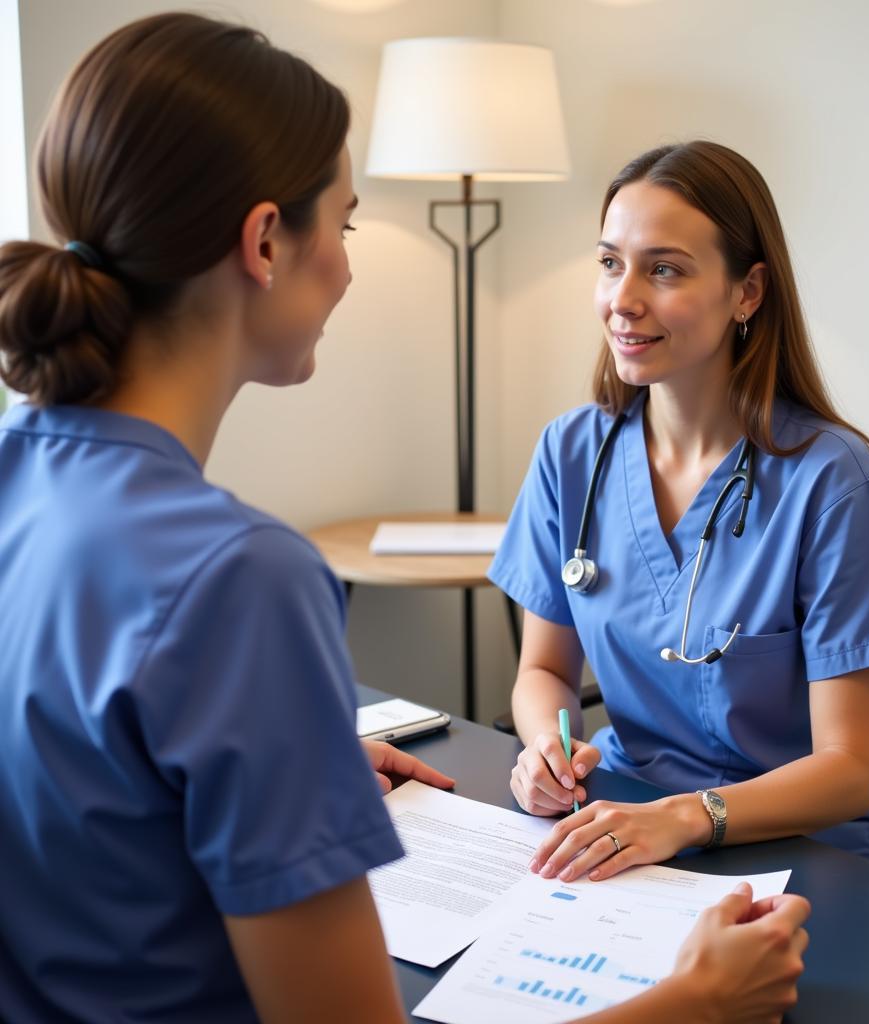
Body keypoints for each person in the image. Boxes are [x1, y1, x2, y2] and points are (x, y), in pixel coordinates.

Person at [0, 13, 810, 1024]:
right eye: (341, 225)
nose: (345, 263)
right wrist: (694, 1002)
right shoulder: (241, 577)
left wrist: (280, 768)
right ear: (264, 242)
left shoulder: (20, 477)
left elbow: (75, 793)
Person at [490, 140, 869, 885]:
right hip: (629, 818)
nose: (623, 299)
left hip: (803, 846)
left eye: (664, 269)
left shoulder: (829, 480)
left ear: (747, 292)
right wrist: (546, 750)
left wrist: (688, 817)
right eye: (609, 263)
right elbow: (543, 670)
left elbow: (849, 770)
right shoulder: (572, 452)